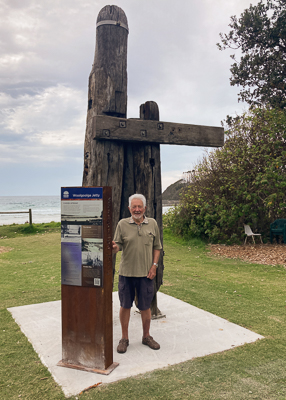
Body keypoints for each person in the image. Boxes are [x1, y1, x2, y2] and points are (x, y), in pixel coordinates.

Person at [112, 194, 162, 354]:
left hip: (146, 274)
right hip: (126, 273)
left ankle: (146, 336)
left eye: (140, 206)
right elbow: (117, 245)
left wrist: (154, 266)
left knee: (145, 306)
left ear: (145, 208)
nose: (137, 209)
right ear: (129, 209)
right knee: (125, 305)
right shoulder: (122, 224)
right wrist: (114, 248)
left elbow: (157, 247)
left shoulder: (152, 224)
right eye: (134, 207)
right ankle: (124, 339)